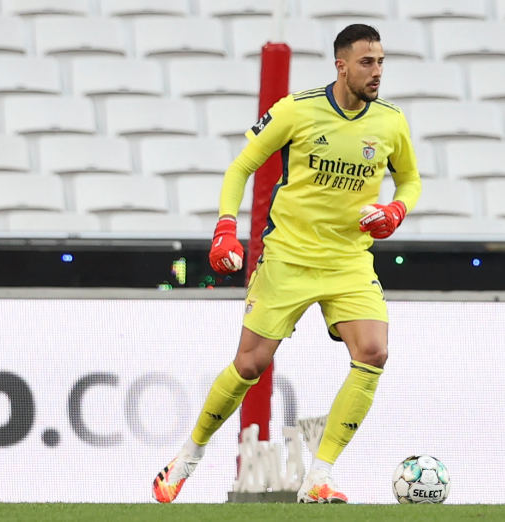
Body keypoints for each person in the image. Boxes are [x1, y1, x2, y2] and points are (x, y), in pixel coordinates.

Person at [152, 23, 421, 504]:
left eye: (381, 61)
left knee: (374, 353)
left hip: (348, 259)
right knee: (250, 365)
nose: (377, 71)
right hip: (288, 258)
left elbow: (411, 181)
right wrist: (225, 227)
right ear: (341, 66)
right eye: (367, 62)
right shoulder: (297, 110)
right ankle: (186, 458)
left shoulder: (391, 122)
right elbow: (241, 167)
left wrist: (396, 210)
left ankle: (319, 475)